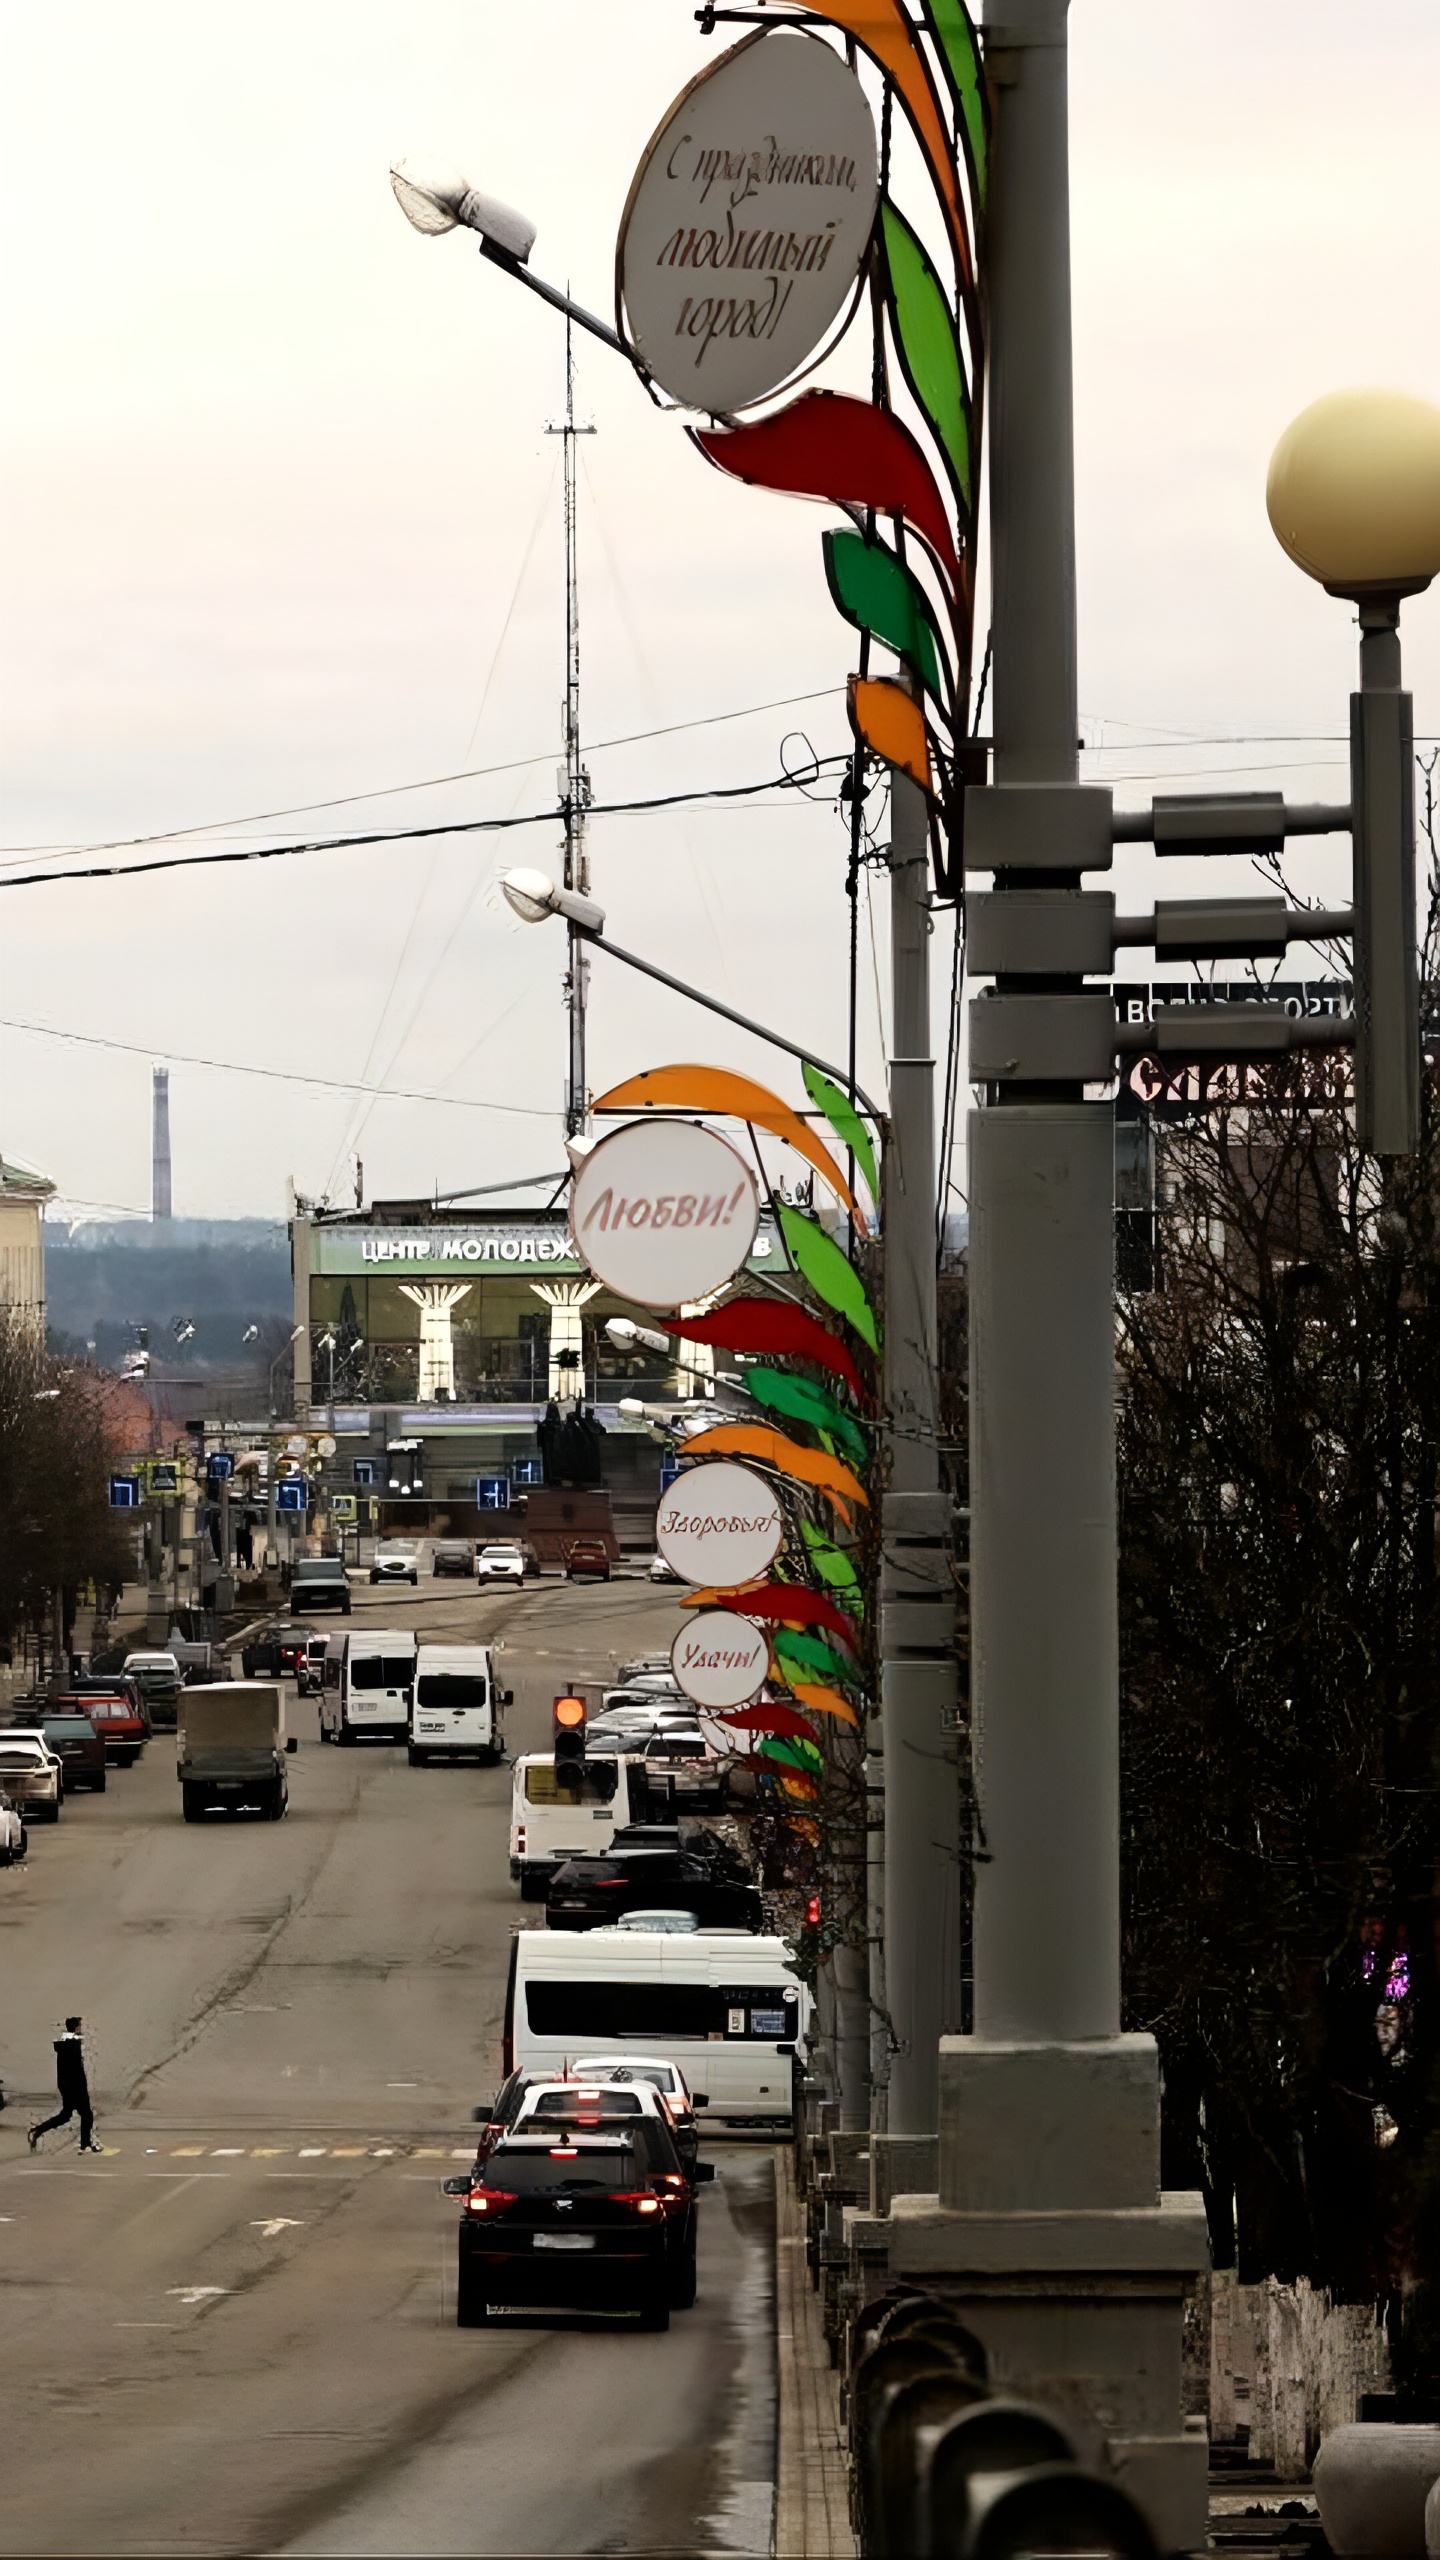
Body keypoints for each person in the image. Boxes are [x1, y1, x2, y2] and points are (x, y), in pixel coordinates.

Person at [28, 2016, 99, 2153]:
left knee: (67, 2115)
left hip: (67, 2085)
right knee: (86, 2115)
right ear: (76, 2027)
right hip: (75, 2086)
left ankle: (38, 2130)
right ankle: (85, 2144)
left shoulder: (64, 2043)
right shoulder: (73, 2044)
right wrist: (81, 2088)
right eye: (79, 2026)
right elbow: (76, 2069)